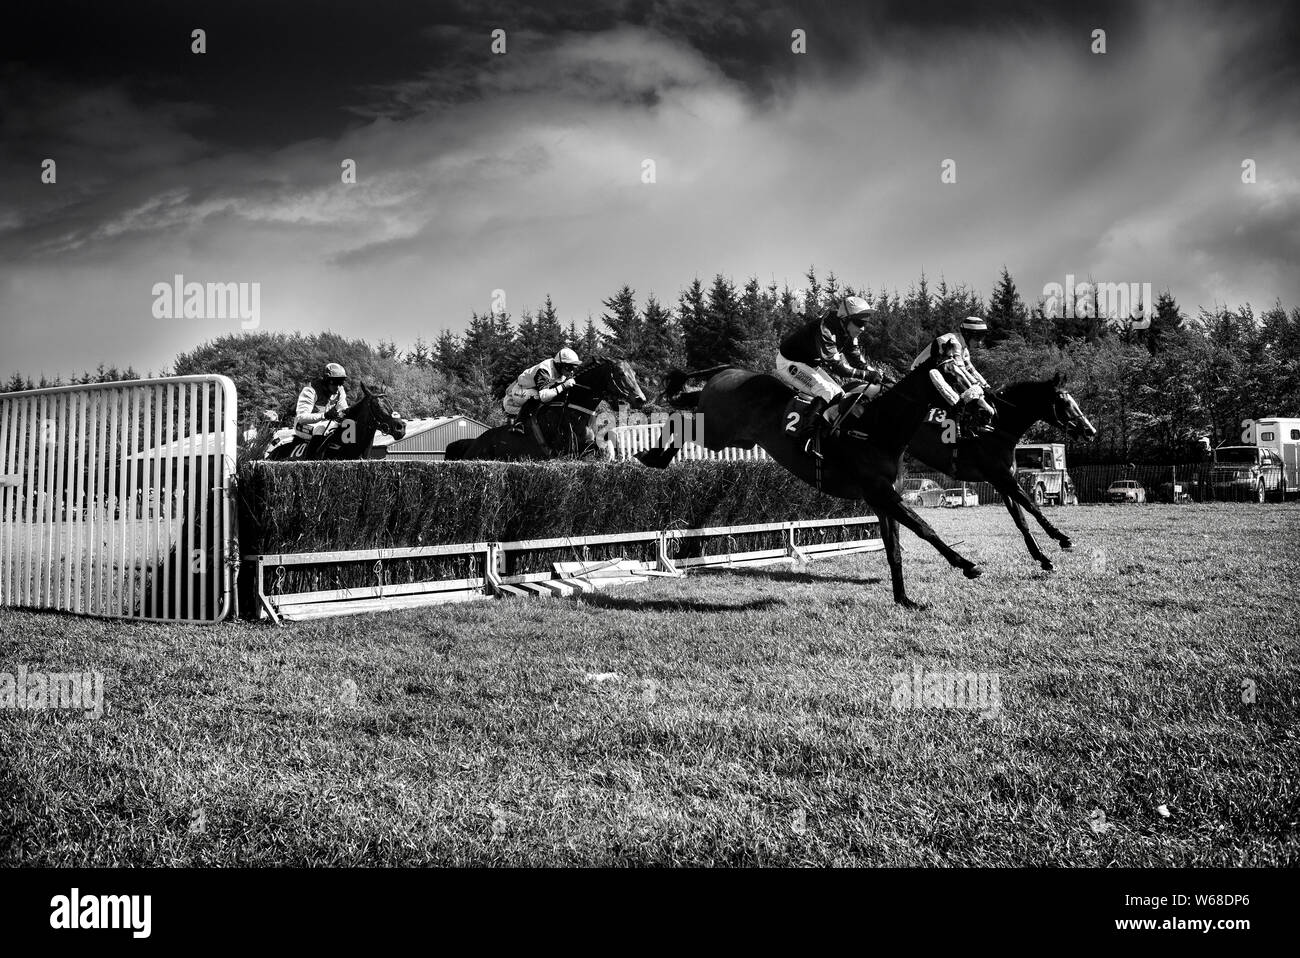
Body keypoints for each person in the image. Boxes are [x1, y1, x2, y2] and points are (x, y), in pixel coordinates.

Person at [775, 296, 885, 457]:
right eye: (860, 323)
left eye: (865, 323)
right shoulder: (826, 330)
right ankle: (807, 438)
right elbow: (838, 367)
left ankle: (824, 435)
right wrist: (867, 376)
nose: (863, 328)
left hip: (808, 363)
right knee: (826, 392)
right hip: (789, 362)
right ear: (846, 319)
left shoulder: (848, 331)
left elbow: (856, 359)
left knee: (839, 394)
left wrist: (877, 374)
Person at [911, 318, 995, 435]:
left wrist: (986, 387)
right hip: (921, 374)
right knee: (960, 399)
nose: (980, 343)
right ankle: (952, 432)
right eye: (977, 338)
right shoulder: (952, 341)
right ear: (967, 334)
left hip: (941, 371)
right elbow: (959, 370)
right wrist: (977, 390)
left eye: (982, 338)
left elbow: (971, 371)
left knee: (969, 393)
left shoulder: (964, 348)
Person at [503, 347, 581, 433]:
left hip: (530, 390)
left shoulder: (560, 372)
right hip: (519, 392)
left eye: (574, 368)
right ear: (560, 365)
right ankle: (519, 423)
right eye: (569, 368)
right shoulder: (544, 370)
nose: (572, 371)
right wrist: (563, 386)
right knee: (537, 395)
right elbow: (543, 396)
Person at [294, 363, 349, 450]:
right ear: (327, 380)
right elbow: (301, 418)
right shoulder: (310, 390)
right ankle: (312, 461)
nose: (338, 386)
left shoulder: (340, 390)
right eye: (335, 382)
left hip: (326, 422)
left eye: (341, 382)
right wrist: (324, 415)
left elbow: (344, 409)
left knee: (349, 425)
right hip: (302, 425)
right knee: (322, 429)